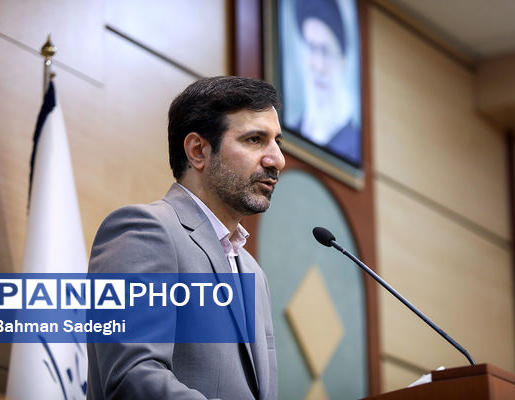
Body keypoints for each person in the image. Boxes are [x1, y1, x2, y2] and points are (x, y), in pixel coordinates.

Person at [86, 76, 284, 400]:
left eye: (277, 142)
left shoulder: (254, 273)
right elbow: (132, 379)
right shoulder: (145, 232)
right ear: (198, 151)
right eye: (255, 139)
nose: (277, 159)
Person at [293, 0, 361, 165]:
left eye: (325, 51)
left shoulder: (356, 146)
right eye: (311, 48)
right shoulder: (291, 132)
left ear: (343, 61)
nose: (318, 66)